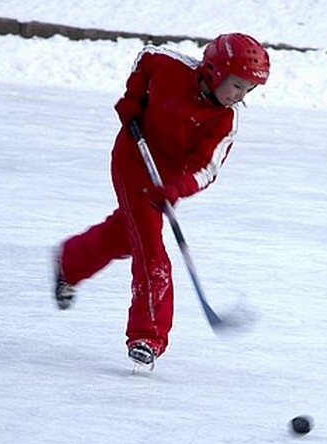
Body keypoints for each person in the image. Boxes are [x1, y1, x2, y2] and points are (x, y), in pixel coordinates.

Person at [53, 33, 271, 370]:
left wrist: (177, 187)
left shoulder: (225, 120)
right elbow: (146, 56)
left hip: (164, 181)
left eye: (247, 90)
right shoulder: (171, 67)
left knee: (128, 235)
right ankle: (147, 336)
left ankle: (70, 261)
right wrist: (133, 98)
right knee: (151, 251)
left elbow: (206, 170)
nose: (239, 96)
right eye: (236, 85)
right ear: (214, 69)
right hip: (132, 159)